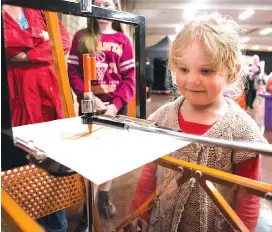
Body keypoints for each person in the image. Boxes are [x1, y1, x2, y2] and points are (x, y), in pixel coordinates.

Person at [125, 12, 267, 232]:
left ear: (231, 72)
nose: (192, 80)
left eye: (206, 70)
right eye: (183, 69)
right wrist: (139, 211)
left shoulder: (242, 130)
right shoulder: (162, 117)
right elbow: (150, 172)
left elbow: (248, 197)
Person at [67, 0, 136, 230]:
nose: (102, 7)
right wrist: (85, 94)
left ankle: (103, 196)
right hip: (89, 105)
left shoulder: (123, 40)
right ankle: (89, 207)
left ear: (114, 6)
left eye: (107, 3)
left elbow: (129, 80)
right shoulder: (81, 36)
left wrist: (115, 105)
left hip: (115, 107)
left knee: (110, 156)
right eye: (98, 3)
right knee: (90, 157)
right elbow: (73, 71)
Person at [3, 5, 71, 232]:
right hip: (12, 105)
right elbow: (6, 43)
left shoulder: (40, 8)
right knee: (17, 174)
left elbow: (62, 41)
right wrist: (41, 41)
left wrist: (25, 54)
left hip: (47, 102)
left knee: (51, 170)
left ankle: (55, 227)